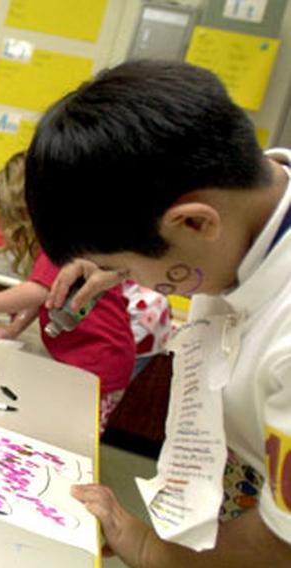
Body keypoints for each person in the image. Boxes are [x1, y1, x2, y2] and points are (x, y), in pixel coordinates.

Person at [25, 59, 291, 566]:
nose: (131, 284)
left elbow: (281, 545)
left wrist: (150, 550)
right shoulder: (247, 205)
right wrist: (124, 262)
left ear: (194, 222)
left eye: (124, 267)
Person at [0, 152, 168, 432]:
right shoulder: (62, 238)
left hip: (99, 366)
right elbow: (49, 294)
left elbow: (38, 290)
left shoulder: (66, 240)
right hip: (89, 360)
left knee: (75, 436)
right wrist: (16, 327)